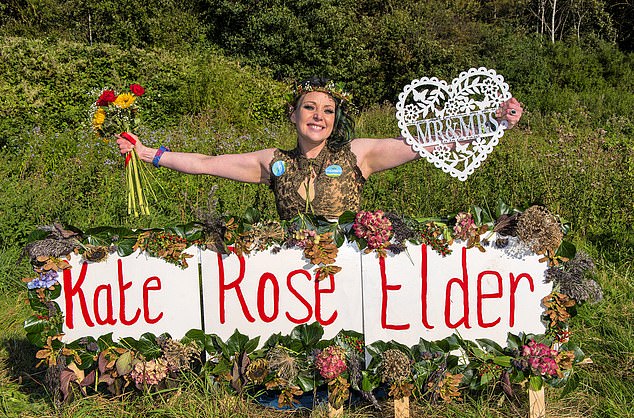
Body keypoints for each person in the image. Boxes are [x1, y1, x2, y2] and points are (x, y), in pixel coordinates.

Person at [117, 77, 523, 220]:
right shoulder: (271, 162)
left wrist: (493, 119)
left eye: (327, 111)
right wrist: (148, 152)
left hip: (350, 264)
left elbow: (425, 141)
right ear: (293, 115)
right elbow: (206, 163)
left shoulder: (357, 154)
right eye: (309, 107)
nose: (318, 116)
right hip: (293, 267)